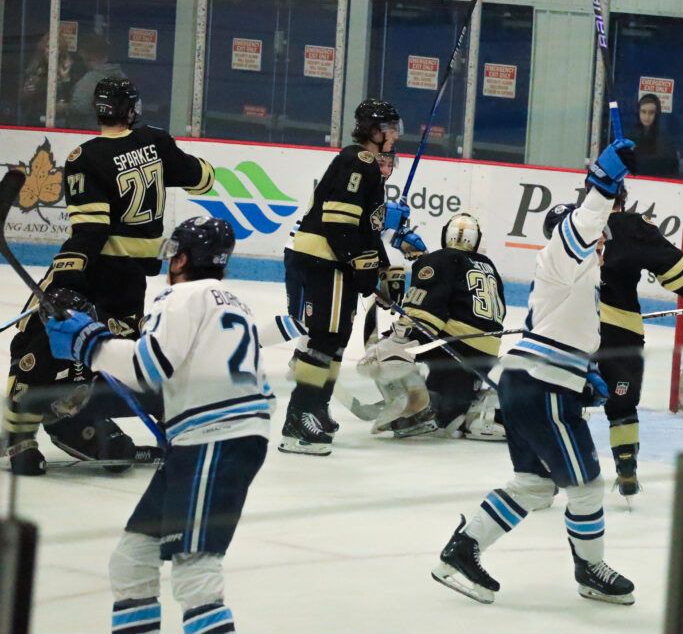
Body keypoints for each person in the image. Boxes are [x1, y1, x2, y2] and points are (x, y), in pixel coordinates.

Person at [44, 216, 304, 634]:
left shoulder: (180, 298)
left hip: (214, 440)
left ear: (181, 257)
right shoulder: (233, 301)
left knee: (195, 573)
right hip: (211, 440)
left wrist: (89, 342)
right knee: (132, 562)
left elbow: (149, 368)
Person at [431, 135, 638, 605]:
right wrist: (602, 184)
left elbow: (556, 336)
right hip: (542, 388)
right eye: (597, 233)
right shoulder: (564, 256)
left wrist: (582, 376)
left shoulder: (577, 274)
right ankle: (590, 569)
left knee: (535, 483)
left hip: (535, 381)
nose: (603, 239)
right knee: (586, 486)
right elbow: (583, 226)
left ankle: (461, 551)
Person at [4, 77, 215, 474]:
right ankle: (27, 430)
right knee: (108, 350)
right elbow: (202, 177)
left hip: (95, 269)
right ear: (130, 108)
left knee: (47, 337)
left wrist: (67, 281)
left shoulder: (85, 156)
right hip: (130, 278)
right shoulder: (155, 140)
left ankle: (46, 423)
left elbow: (90, 231)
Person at [281, 98, 425, 456]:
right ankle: (297, 419)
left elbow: (366, 231)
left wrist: (379, 266)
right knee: (323, 339)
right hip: (325, 260)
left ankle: (316, 407)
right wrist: (361, 266)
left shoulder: (371, 167)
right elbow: (339, 224)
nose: (395, 135)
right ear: (375, 131)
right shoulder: (357, 160)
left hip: (338, 262)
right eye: (390, 128)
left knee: (338, 339)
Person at [598, 194, 683, 496]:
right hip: (619, 332)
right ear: (622, 198)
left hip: (570, 329)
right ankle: (626, 463)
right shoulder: (630, 225)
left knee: (564, 399)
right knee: (622, 405)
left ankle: (550, 469)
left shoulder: (570, 224)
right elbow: (671, 265)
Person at [362, 212, 507, 440]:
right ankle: (466, 408)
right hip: (484, 355)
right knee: (446, 414)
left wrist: (398, 337)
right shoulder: (488, 267)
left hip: (455, 349)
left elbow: (425, 314)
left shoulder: (441, 260)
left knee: (385, 353)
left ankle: (412, 412)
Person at [68, 34, 127, 129]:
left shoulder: (91, 78)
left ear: (90, 56)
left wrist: (63, 107)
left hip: (90, 131)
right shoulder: (121, 76)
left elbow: (80, 107)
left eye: (82, 57)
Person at [630, 94, 678, 178]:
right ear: (638, 112)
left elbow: (671, 169)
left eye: (651, 113)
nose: (647, 116)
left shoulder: (665, 140)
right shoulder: (630, 137)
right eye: (643, 112)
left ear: (657, 114)